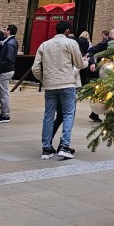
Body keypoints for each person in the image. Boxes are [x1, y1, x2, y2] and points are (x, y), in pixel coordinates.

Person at [32, 20, 86, 159]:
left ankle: (46, 148)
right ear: (67, 31)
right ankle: (64, 146)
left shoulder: (44, 45)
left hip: (50, 86)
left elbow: (35, 68)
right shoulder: (71, 43)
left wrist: (44, 80)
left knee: (48, 116)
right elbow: (79, 63)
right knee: (68, 114)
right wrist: (86, 62)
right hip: (67, 84)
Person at [0, 24, 18, 124]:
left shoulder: (10, 43)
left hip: (5, 71)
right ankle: (4, 114)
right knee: (3, 93)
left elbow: (9, 59)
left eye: (5, 29)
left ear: (9, 31)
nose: (3, 31)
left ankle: (5, 115)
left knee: (3, 94)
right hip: (6, 70)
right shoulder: (10, 41)